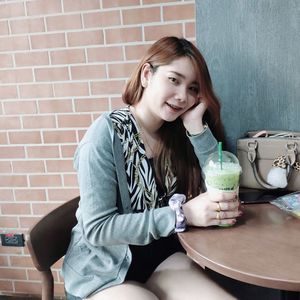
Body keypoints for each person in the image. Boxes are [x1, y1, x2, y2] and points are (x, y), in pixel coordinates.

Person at [62, 36, 242, 300]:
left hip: (159, 258)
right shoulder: (106, 134)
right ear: (147, 74)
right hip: (103, 270)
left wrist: (195, 127)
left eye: (193, 88)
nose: (183, 96)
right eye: (174, 80)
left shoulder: (176, 134)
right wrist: (181, 215)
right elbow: (97, 228)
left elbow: (219, 183)